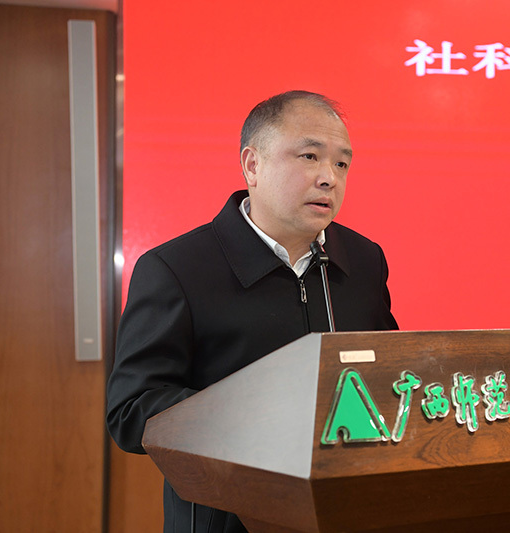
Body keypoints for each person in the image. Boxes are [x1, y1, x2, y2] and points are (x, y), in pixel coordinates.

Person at [106, 90, 398, 532]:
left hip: (344, 514)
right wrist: (255, 413)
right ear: (252, 165)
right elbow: (130, 412)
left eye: (342, 164)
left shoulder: (363, 260)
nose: (329, 178)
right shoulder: (177, 268)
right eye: (309, 156)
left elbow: (388, 378)